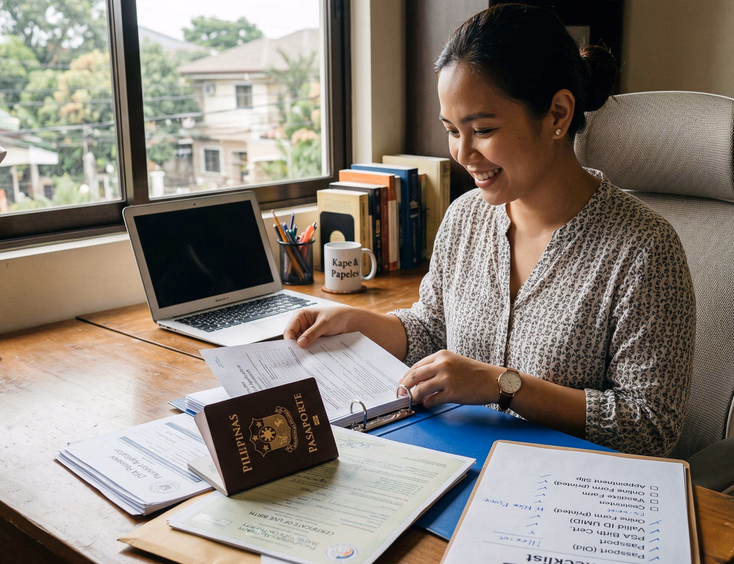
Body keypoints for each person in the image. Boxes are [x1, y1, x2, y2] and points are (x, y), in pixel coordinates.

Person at [285, 3, 695, 457]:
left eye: (481, 129)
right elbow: (432, 328)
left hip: (569, 491)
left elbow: (650, 426)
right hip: (455, 458)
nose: (462, 152)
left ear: (558, 114)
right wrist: (359, 324)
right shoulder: (465, 217)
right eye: (451, 130)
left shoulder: (643, 250)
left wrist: (504, 386)